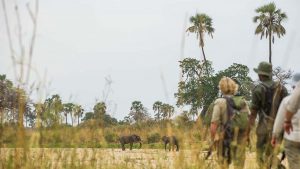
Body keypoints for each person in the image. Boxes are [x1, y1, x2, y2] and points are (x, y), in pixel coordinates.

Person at [249, 61, 288, 169]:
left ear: (260, 74)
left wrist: (247, 131)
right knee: (271, 155)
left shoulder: (258, 90)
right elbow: (287, 109)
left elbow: (253, 113)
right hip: (279, 129)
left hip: (263, 129)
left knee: (261, 158)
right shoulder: (282, 88)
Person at [210, 77, 250, 169]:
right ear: (234, 87)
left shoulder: (219, 102)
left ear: (221, 88)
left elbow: (213, 124)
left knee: (223, 164)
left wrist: (213, 140)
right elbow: (248, 121)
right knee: (239, 165)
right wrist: (247, 137)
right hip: (240, 138)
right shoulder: (242, 101)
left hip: (224, 137)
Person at [272, 73, 300, 169]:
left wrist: (275, 135)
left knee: (295, 164)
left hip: (291, 137)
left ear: (293, 86)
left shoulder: (286, 100)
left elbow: (279, 121)